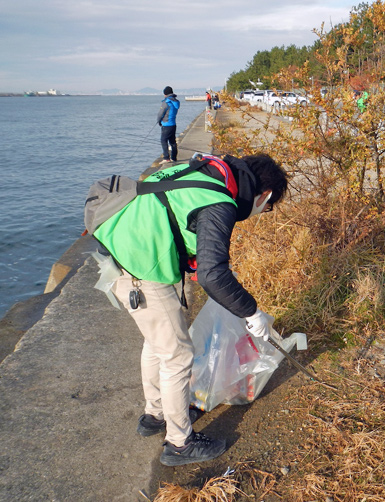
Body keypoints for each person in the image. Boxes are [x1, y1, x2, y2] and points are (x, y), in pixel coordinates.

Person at [93, 153, 289, 466]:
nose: (262, 212)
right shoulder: (219, 201)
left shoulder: (207, 171)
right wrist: (252, 313)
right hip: (142, 271)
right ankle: (179, 443)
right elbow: (213, 274)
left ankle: (155, 414)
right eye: (267, 208)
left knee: (158, 343)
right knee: (177, 356)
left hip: (125, 253)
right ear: (263, 195)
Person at [157, 86, 180, 164]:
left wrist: (158, 121)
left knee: (163, 140)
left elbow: (160, 113)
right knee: (172, 142)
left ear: (166, 94)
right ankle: (174, 157)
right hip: (173, 124)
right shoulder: (176, 102)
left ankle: (166, 158)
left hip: (166, 124)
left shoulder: (166, 102)